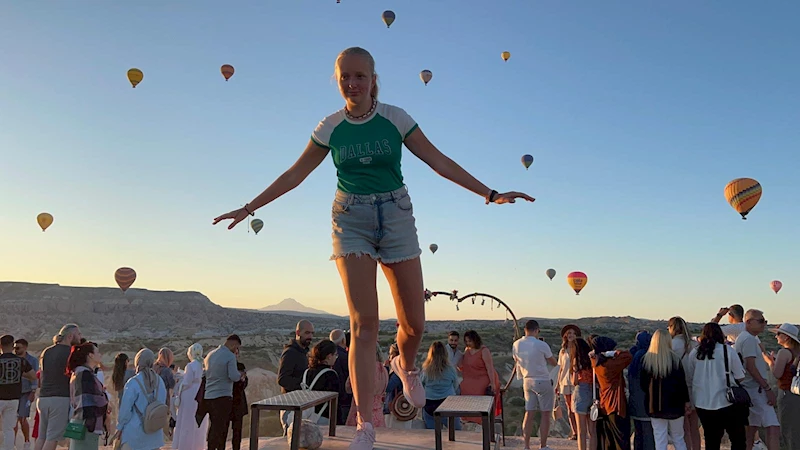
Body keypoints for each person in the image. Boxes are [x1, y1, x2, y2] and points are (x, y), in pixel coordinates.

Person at [212, 46, 534, 450]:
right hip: (350, 220)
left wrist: (489, 194)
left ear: (373, 79)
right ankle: (366, 425)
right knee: (363, 325)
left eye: (360, 75)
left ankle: (406, 364)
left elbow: (439, 161)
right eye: (345, 76)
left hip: (396, 215)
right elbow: (295, 173)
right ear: (338, 80)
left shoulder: (395, 119)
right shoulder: (330, 127)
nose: (352, 83)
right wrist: (248, 207)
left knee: (414, 324)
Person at [684, 323, 747, 450]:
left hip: (703, 403)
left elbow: (689, 378)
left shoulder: (695, 353)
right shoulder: (728, 351)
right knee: (737, 439)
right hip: (727, 401)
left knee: (711, 440)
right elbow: (740, 376)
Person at [733, 309, 779, 450]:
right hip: (756, 390)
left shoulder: (744, 338)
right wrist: (767, 388)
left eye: (764, 321)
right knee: (773, 428)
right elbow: (751, 367)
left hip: (749, 389)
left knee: (751, 431)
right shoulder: (749, 340)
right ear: (748, 322)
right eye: (760, 321)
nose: (764, 324)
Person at [639, 330, 690, 450]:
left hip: (655, 405)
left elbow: (643, 385)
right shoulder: (675, 360)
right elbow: (682, 384)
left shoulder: (647, 361)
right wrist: (686, 401)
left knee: (660, 439)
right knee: (678, 438)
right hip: (675, 405)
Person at [36, 324, 83, 450]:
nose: (80, 337)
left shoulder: (47, 351)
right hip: (60, 398)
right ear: (70, 336)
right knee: (52, 438)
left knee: (42, 436)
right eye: (78, 334)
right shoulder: (71, 353)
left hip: (43, 397)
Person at [512, 320, 557, 450]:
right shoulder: (541, 344)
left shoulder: (516, 344)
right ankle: (543, 445)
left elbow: (516, 361)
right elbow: (553, 362)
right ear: (537, 330)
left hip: (527, 380)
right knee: (545, 414)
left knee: (529, 413)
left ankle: (526, 445)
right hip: (542, 380)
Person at [116, 349, 167, 450]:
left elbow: (125, 411)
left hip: (135, 434)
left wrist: (120, 427)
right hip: (154, 432)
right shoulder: (159, 381)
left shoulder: (133, 382)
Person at [588, 336, 633, 450]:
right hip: (616, 405)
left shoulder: (596, 362)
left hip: (605, 404)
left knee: (609, 441)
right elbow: (627, 356)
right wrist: (611, 353)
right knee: (621, 441)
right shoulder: (610, 365)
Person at [764, 323, 800, 450]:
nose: (776, 336)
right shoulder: (797, 351)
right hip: (797, 393)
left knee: (788, 430)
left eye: (778, 334)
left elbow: (777, 374)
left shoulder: (784, 352)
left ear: (786, 337)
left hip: (787, 393)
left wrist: (770, 362)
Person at [204, 335, 244, 450]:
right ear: (234, 344)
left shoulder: (210, 354)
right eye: (236, 347)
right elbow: (233, 376)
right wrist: (240, 375)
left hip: (209, 396)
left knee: (213, 427)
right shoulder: (229, 356)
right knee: (221, 428)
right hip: (223, 396)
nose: (236, 350)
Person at [66, 342, 108, 450]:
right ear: (90, 355)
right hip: (87, 424)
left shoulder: (79, 372)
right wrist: (105, 400)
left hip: (79, 420)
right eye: (97, 352)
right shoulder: (84, 374)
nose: (100, 355)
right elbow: (89, 401)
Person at [668, 317, 700, 450]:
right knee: (694, 427)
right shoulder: (694, 345)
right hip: (696, 388)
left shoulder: (671, 345)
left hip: (679, 390)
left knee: (683, 428)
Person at [1, 335, 36, 450]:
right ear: (12, 346)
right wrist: (19, 373)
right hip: (14, 398)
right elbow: (33, 376)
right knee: (9, 429)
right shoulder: (21, 361)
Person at [173, 343, 208, 450]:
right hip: (200, 394)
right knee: (197, 422)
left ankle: (185, 446)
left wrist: (180, 383)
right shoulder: (203, 365)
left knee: (186, 421)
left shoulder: (190, 365)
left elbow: (187, 382)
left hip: (189, 395)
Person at [419, 342, 461, 431]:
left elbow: (421, 385)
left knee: (432, 434)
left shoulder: (426, 370)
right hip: (448, 402)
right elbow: (455, 385)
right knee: (456, 432)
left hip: (430, 403)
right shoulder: (450, 369)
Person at [627, 331, 655, 450]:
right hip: (647, 402)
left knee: (638, 433)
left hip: (634, 401)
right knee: (648, 435)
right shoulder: (649, 357)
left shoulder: (633, 355)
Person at [303, 340, 340, 426]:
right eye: (335, 355)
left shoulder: (307, 372)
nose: (336, 358)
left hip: (307, 416)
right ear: (329, 356)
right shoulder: (330, 374)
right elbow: (335, 400)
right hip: (323, 417)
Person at [570, 338, 596, 450]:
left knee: (581, 431)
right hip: (592, 391)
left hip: (581, 391)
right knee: (592, 431)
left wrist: (574, 372)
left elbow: (574, 382)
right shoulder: (592, 360)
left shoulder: (577, 361)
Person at [555, 325, 581, 441]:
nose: (571, 335)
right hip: (565, 381)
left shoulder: (579, 349)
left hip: (576, 382)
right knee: (570, 408)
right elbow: (560, 369)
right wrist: (557, 384)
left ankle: (581, 431)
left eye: (573, 333)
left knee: (577, 408)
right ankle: (575, 432)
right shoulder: (562, 351)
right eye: (569, 333)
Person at [13, 339, 39, 450]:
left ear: (25, 347)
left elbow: (34, 376)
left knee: (22, 418)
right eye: (15, 348)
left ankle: (26, 441)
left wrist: (33, 392)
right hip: (14, 392)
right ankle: (12, 443)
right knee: (13, 419)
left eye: (18, 348)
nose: (16, 350)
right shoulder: (13, 359)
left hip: (26, 392)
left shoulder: (32, 360)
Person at [278, 320, 314, 394]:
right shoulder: (290, 353)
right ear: (298, 333)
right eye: (307, 333)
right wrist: (304, 383)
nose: (310, 336)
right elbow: (282, 380)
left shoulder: (306, 352)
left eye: (312, 333)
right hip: (293, 401)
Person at [329, 329, 352, 425]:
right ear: (343, 341)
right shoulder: (347, 358)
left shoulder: (328, 356)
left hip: (330, 400)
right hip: (345, 400)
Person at [230, 362, 248, 450]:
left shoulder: (240, 366)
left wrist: (243, 380)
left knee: (237, 431)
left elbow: (244, 384)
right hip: (226, 401)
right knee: (222, 430)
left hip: (238, 402)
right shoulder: (225, 365)